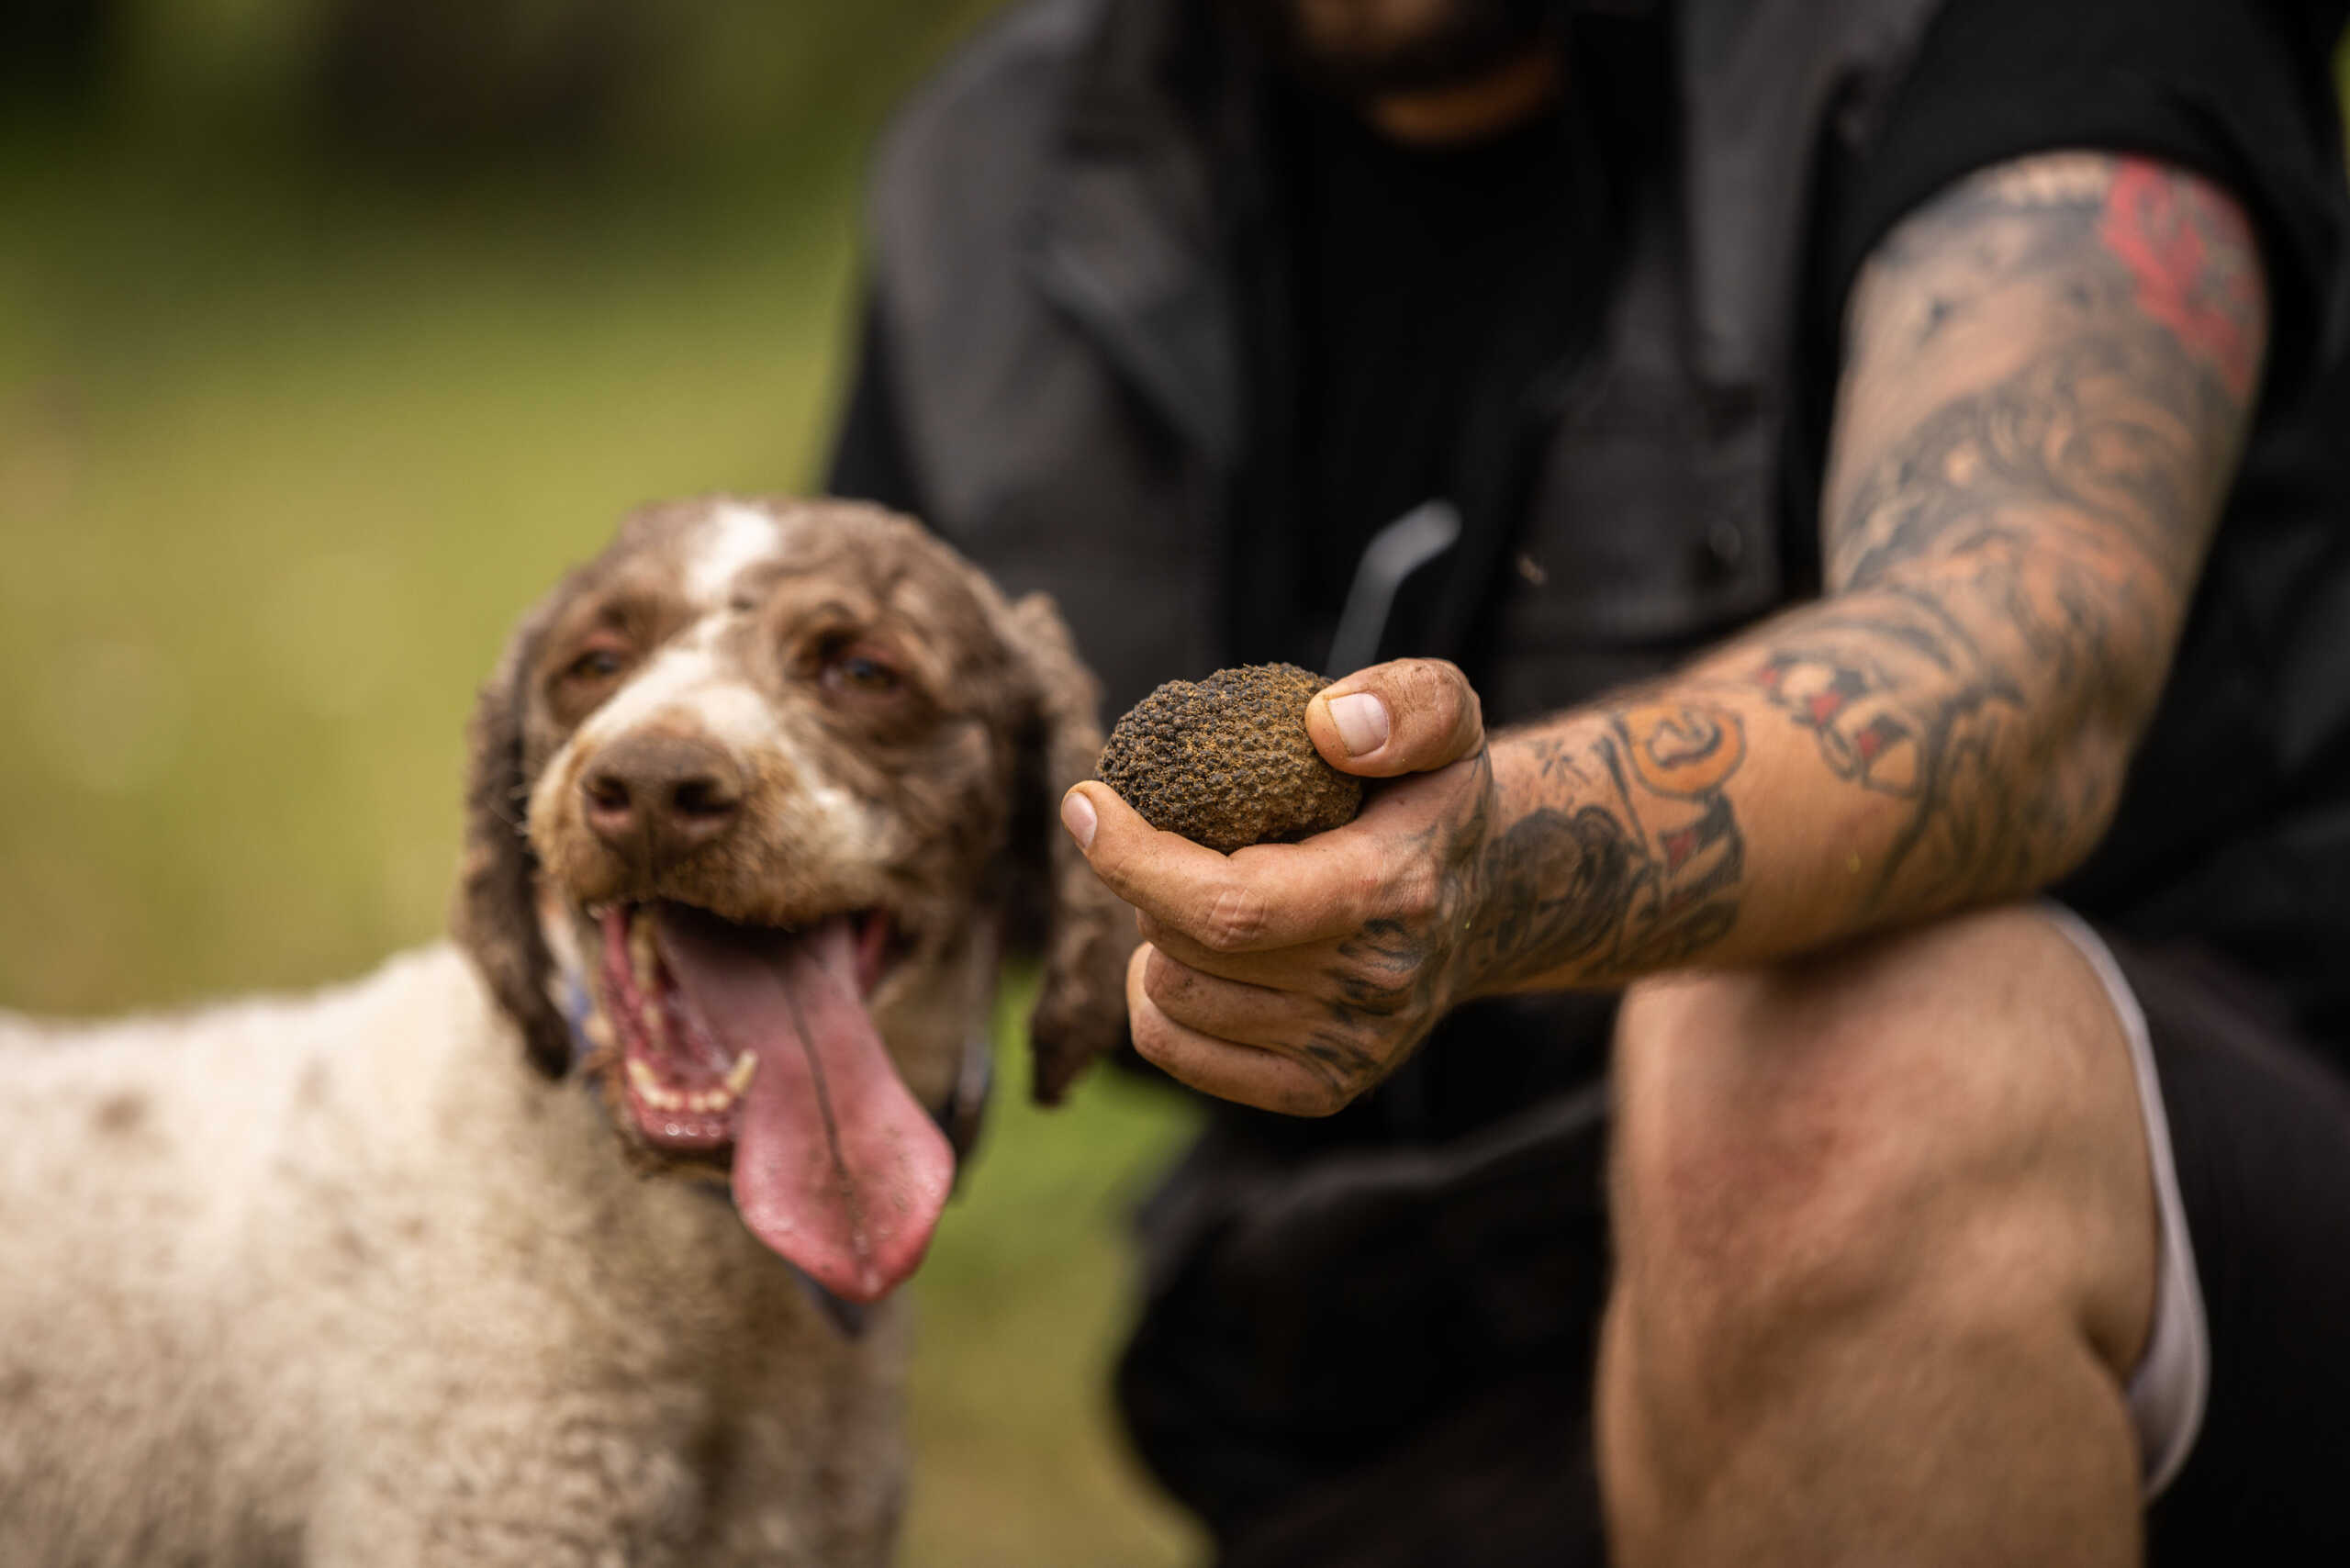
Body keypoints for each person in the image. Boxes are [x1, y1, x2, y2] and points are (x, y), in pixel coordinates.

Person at [828, 0, 2350, 1561]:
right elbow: (862, 807)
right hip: (1407, 1375)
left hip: (2194, 1279)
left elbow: (2020, 662)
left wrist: (1489, 861)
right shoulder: (996, 176)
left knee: (1844, 1079)